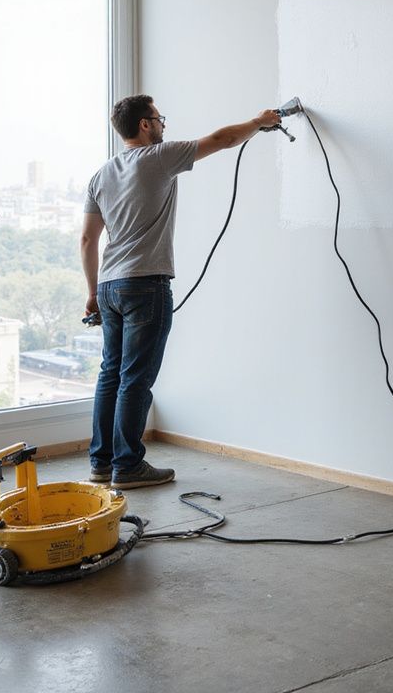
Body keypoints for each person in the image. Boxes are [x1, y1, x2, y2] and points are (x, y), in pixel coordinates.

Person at [81, 94, 281, 488]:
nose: (163, 125)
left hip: (109, 285)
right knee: (135, 377)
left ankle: (101, 464)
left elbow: (88, 239)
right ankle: (128, 466)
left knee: (110, 375)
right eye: (159, 118)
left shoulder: (101, 175)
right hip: (146, 284)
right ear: (144, 124)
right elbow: (222, 140)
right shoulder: (157, 158)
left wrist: (93, 292)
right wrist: (259, 121)